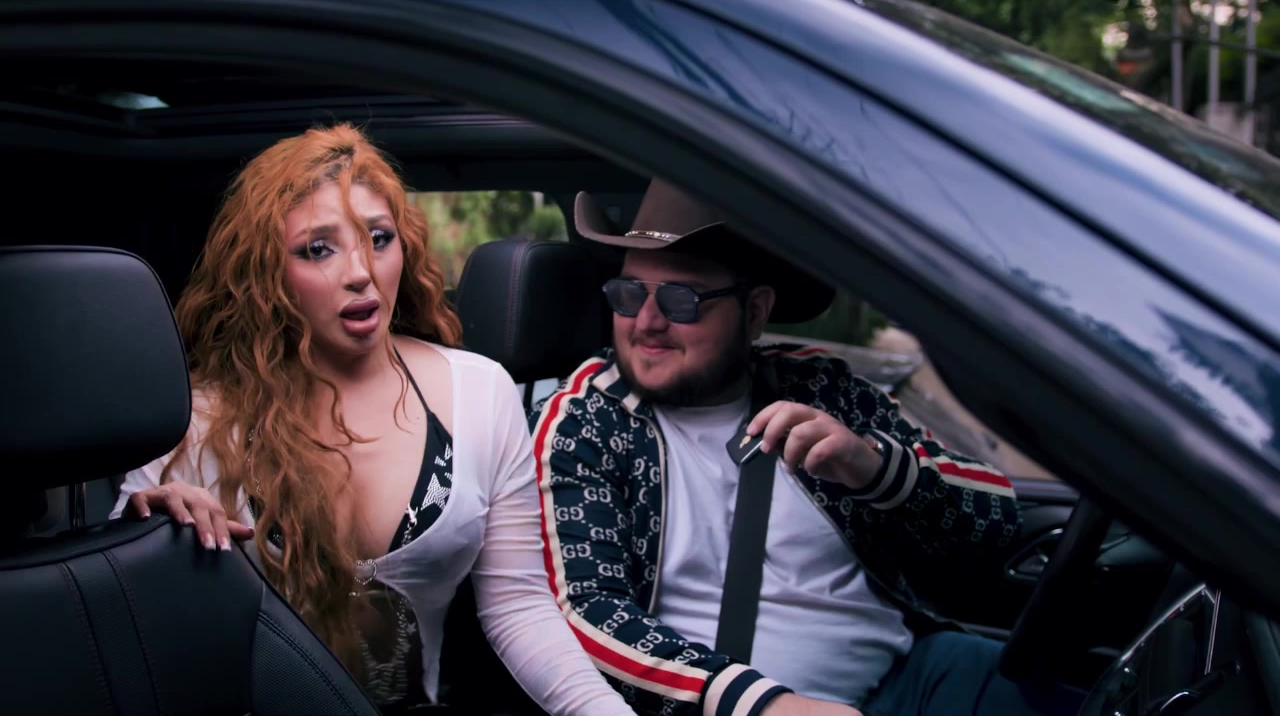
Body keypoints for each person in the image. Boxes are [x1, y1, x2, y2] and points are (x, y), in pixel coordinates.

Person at [111, 124, 634, 716]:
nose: (360, 270)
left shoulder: (479, 391)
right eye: (317, 249)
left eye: (378, 238)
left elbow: (518, 607)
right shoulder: (197, 415)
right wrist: (146, 533)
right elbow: (122, 615)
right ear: (266, 271)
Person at [530, 179, 1075, 716]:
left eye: (681, 300)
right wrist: (765, 706)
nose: (647, 322)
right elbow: (587, 613)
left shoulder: (822, 389)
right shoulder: (585, 423)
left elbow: (996, 516)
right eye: (628, 295)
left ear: (755, 312)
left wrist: (872, 467)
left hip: (910, 680)